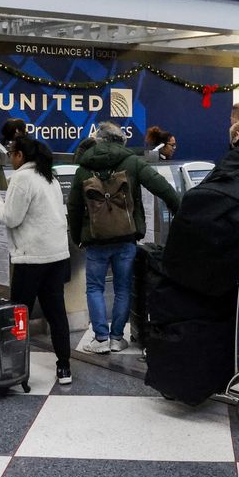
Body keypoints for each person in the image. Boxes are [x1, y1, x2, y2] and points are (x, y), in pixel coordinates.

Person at [68, 122, 180, 354]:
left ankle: (100, 339)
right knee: (122, 288)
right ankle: (117, 338)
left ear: (99, 140)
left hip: (95, 239)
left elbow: (74, 206)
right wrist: (179, 210)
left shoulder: (83, 168)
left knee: (95, 287)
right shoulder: (133, 162)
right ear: (121, 141)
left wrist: (78, 236)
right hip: (126, 236)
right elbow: (163, 188)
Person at [0, 136, 73, 384]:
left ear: (20, 156)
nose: (10, 157)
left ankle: (13, 367)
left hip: (31, 258)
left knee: (18, 314)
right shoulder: (50, 176)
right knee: (56, 313)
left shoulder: (22, 178)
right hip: (57, 255)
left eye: (12, 153)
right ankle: (64, 367)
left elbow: (11, 218)